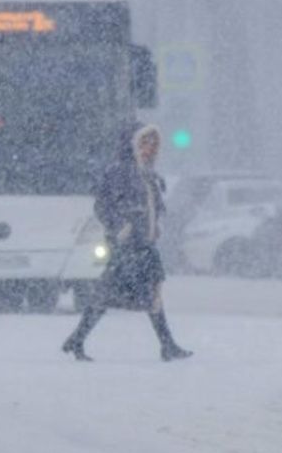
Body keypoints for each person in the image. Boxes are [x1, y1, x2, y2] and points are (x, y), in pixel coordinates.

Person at [61, 122, 193, 362]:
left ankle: (166, 345)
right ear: (132, 144)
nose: (150, 148)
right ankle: (79, 339)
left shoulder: (146, 173)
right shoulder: (120, 171)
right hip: (129, 244)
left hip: (144, 243)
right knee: (111, 294)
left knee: (147, 293)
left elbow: (153, 206)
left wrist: (155, 226)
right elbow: (102, 205)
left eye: (154, 143)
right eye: (145, 142)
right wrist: (122, 227)